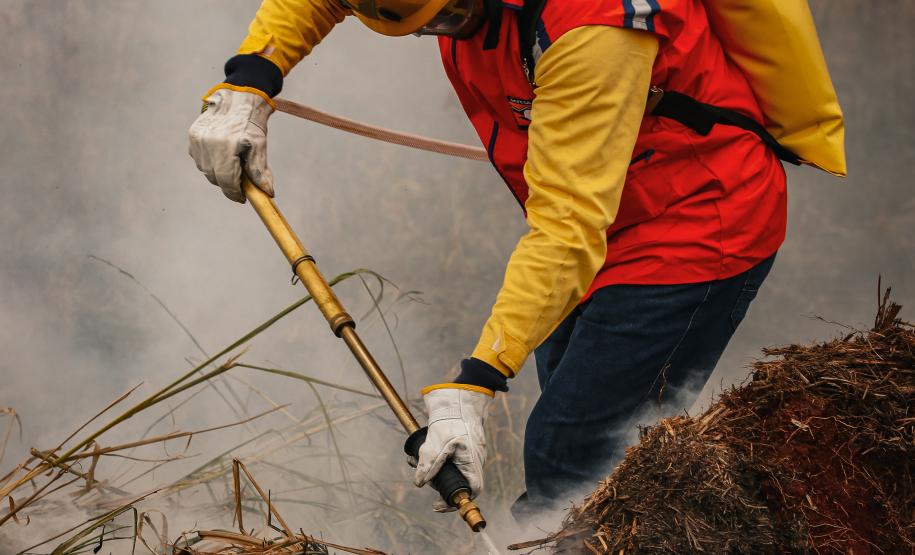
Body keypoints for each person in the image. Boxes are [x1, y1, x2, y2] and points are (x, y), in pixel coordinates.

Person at [188, 0, 786, 521]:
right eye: (431, 25)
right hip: (606, 210)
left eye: (453, 11)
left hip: (695, 219)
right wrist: (251, 80)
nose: (451, 28)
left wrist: (474, 383)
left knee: (571, 453)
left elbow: (568, 227)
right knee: (584, 418)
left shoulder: (591, 27)